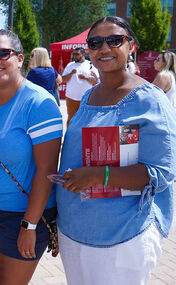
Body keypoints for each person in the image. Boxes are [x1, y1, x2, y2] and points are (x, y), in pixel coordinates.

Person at [56, 16, 176, 284]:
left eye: (114, 40)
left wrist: (98, 176)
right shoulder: (89, 96)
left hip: (123, 237)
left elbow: (161, 172)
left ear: (131, 46)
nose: (104, 48)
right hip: (75, 231)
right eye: (96, 42)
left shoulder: (150, 100)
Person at [0, 29, 63, 284]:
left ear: (21, 58)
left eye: (3, 53)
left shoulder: (40, 104)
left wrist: (29, 225)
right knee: (4, 276)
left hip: (23, 215)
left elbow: (47, 170)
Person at [61, 47, 99, 124]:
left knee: (86, 120)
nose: (74, 56)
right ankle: (70, 136)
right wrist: (71, 73)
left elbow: (95, 81)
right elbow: (63, 79)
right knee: (71, 119)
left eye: (77, 54)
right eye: (73, 54)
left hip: (86, 98)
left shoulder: (90, 65)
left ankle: (83, 136)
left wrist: (86, 78)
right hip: (71, 98)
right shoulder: (70, 65)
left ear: (83, 54)